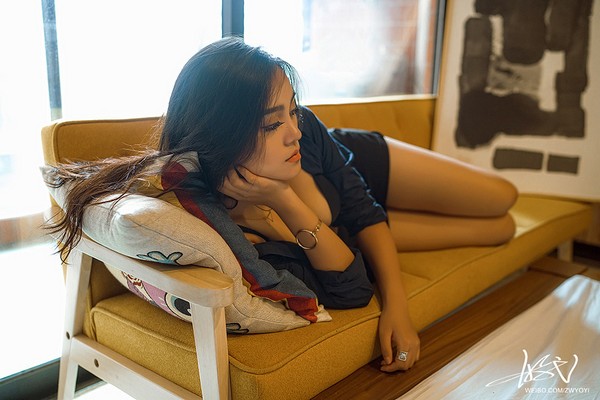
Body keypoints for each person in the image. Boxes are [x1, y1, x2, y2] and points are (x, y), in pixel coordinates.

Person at [47, 37, 518, 373]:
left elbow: (363, 206)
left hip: (363, 167)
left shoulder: (305, 133)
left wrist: (398, 308)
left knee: (503, 197)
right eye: (273, 124)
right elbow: (350, 286)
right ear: (223, 136)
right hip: (345, 232)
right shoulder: (224, 221)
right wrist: (282, 199)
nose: (294, 129)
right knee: (500, 228)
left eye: (292, 110)